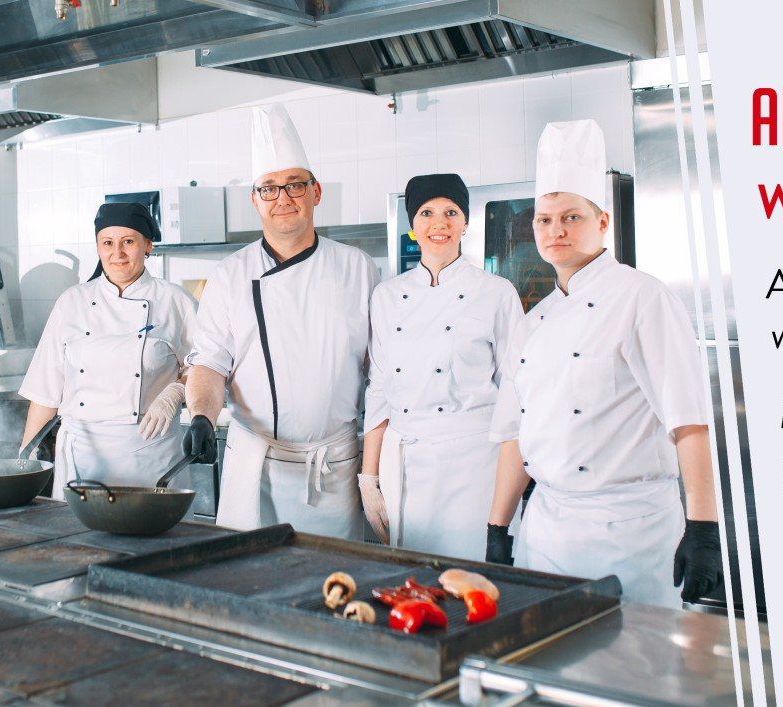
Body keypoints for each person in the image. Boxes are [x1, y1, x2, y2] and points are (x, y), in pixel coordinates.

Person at [485, 120, 726, 607]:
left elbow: (689, 421)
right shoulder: (534, 321)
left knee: (634, 670)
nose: (556, 231)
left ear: (602, 222)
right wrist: (497, 528)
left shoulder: (643, 298)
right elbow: (516, 431)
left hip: (628, 533)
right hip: (547, 532)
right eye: (544, 219)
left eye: (571, 217)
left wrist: (704, 529)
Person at [182, 104, 378, 536]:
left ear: (316, 192)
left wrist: (376, 468)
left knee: (336, 587)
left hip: (335, 467)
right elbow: (210, 364)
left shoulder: (358, 269)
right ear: (255, 200)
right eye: (269, 188)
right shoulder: (230, 274)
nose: (283, 198)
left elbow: (380, 372)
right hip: (255, 467)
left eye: (294, 184)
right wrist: (200, 415)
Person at [360, 174, 521, 559]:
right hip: (405, 463)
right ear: (413, 226)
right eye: (427, 213)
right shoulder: (386, 296)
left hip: (475, 464)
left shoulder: (496, 293)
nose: (440, 224)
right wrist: (369, 477)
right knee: (415, 581)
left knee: (475, 582)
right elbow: (380, 387)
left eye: (451, 212)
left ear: (465, 222)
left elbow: (517, 394)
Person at [18, 203, 198, 490]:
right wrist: (24, 459)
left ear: (147, 245)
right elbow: (45, 390)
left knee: (155, 534)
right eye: (108, 243)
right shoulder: (72, 302)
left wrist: (174, 392)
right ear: (98, 247)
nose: (118, 253)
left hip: (151, 453)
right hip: (83, 456)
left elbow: (204, 368)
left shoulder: (175, 301)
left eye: (128, 242)